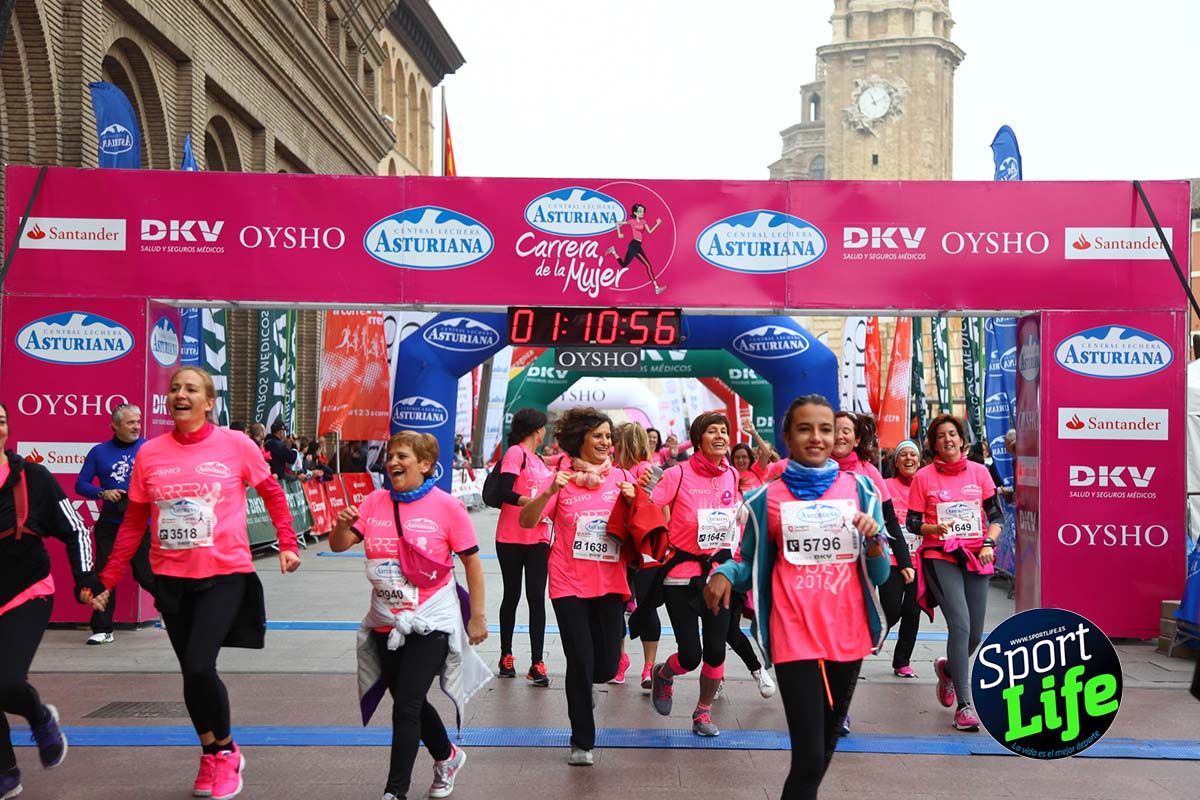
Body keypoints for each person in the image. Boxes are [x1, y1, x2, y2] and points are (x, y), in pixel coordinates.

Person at [91, 367, 302, 800]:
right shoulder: (149, 454)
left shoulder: (236, 445)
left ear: (208, 403)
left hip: (224, 573)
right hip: (170, 577)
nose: (179, 394)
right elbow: (133, 522)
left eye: (190, 389)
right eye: (174, 389)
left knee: (202, 665)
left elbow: (273, 493)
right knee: (191, 673)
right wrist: (108, 577)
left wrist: (286, 542)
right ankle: (210, 752)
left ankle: (226, 753)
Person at [705, 394, 889, 800]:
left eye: (825, 429)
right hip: (793, 634)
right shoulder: (764, 499)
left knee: (824, 746)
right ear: (788, 436)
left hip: (848, 634)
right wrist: (721, 573)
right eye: (805, 428)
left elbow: (880, 573)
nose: (817, 437)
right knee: (807, 756)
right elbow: (747, 562)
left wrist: (874, 539)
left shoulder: (860, 490)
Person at [330, 431, 488, 800]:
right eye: (390, 455)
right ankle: (447, 756)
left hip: (432, 620)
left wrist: (477, 616)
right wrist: (340, 526)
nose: (393, 462)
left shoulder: (447, 507)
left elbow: (472, 563)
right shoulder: (372, 502)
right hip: (386, 621)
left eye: (402, 456)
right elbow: (340, 545)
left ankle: (394, 792)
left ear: (426, 464)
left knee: (406, 707)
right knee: (408, 699)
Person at [519, 408, 637, 766]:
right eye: (598, 436)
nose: (605, 442)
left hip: (611, 583)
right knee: (580, 661)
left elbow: (649, 525)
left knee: (606, 667)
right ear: (580, 440)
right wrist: (545, 494)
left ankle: (588, 688)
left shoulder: (622, 478)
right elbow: (527, 521)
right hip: (568, 583)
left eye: (608, 436)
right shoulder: (560, 479)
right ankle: (581, 741)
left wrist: (636, 501)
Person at [0, 401, 99, 798]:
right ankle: (6, 771)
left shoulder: (33, 478)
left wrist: (86, 579)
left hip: (26, 591)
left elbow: (75, 528)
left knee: (4, 679)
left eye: (2, 421)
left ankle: (40, 717)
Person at [905, 413, 1003, 732]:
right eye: (940, 436)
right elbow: (912, 522)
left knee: (975, 633)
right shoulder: (924, 477)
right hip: (940, 554)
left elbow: (996, 516)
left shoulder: (980, 472)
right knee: (959, 626)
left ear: (962, 440)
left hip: (978, 555)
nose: (948, 439)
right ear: (933, 445)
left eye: (953, 434)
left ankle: (948, 669)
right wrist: (932, 527)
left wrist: (989, 541)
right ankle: (965, 704)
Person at [647, 412, 740, 737]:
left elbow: (733, 517)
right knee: (690, 654)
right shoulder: (678, 474)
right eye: (712, 431)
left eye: (724, 431)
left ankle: (702, 713)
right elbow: (652, 509)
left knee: (715, 650)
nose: (720, 436)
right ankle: (664, 674)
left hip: (718, 574)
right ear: (698, 439)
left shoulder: (731, 474)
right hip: (681, 575)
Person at [75, 403, 156, 645]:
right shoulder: (99, 452)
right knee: (105, 576)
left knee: (147, 575)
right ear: (115, 426)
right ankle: (102, 628)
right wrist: (103, 493)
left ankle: (179, 613)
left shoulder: (148, 448)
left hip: (141, 524)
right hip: (110, 525)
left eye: (138, 422)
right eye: (131, 423)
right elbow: (81, 484)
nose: (136, 427)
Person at [494, 408, 554, 687]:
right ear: (537, 429)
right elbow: (504, 490)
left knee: (536, 597)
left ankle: (537, 662)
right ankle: (506, 655)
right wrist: (527, 503)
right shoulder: (516, 453)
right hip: (510, 535)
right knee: (512, 595)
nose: (544, 432)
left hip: (538, 537)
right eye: (543, 428)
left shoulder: (540, 460)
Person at [612, 422, 660, 688]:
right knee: (626, 605)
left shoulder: (646, 471)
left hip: (638, 549)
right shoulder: (617, 472)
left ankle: (636, 663)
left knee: (638, 605)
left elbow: (655, 505)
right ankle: (644, 665)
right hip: (630, 549)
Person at [882, 440, 924, 677]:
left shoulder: (926, 484)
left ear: (919, 460)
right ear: (896, 462)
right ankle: (867, 641)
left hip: (919, 559)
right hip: (891, 558)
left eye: (913, 455)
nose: (909, 459)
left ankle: (901, 661)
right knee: (890, 610)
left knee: (912, 610)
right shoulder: (886, 486)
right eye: (904, 455)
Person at [604, 202, 666, 294]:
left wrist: (657, 224)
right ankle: (656, 287)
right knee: (648, 265)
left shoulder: (644, 221)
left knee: (624, 265)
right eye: (640, 211)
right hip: (634, 245)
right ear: (635, 212)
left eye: (643, 211)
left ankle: (613, 251)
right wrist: (619, 233)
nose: (642, 213)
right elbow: (618, 223)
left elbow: (650, 231)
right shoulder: (631, 221)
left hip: (637, 245)